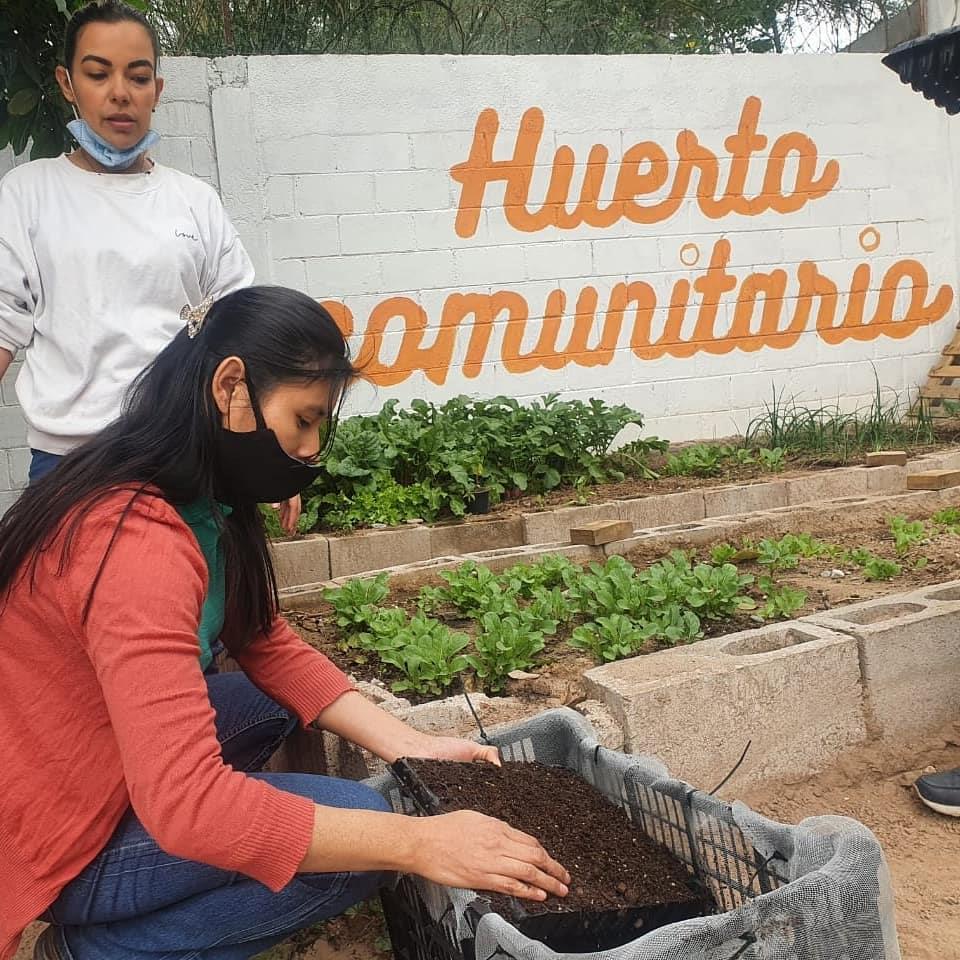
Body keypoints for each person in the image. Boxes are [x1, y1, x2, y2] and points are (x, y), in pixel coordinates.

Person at [0, 286, 569, 960]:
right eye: (303, 420)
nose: (308, 450)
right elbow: (191, 806)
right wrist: (420, 844)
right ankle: (98, 951)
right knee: (360, 838)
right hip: (46, 827)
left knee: (255, 706)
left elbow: (263, 640)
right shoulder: (132, 541)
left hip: (90, 756)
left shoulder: (198, 495)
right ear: (230, 386)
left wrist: (408, 744)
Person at [0, 0, 297, 532]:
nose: (120, 92)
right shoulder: (28, 194)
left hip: (183, 460)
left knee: (195, 614)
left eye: (138, 77)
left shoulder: (193, 201)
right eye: (98, 73)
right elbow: (3, 322)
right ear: (67, 83)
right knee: (72, 614)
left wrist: (265, 446)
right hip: (71, 466)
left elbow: (240, 330)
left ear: (157, 90)